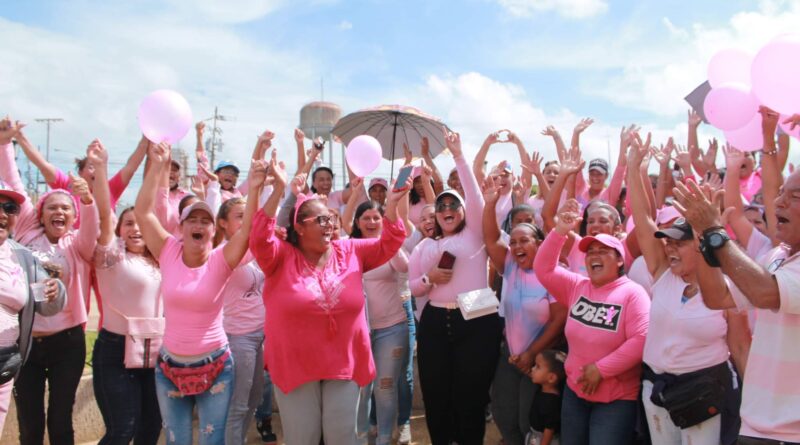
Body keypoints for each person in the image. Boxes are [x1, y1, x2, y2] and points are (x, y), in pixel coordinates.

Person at [248, 155, 408, 445]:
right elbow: (259, 238)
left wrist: (393, 205)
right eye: (320, 219)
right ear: (299, 227)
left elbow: (390, 242)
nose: (329, 224)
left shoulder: (350, 251)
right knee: (303, 438)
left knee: (342, 438)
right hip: (295, 363)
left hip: (343, 361)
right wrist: (277, 190)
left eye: (331, 218)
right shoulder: (280, 257)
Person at [674, 109, 800, 445]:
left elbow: (764, 294)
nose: (779, 202)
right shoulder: (778, 256)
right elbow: (718, 297)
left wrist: (716, 231)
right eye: (781, 194)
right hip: (756, 427)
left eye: (795, 197)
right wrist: (703, 234)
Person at [134, 141, 261, 445]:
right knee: (176, 440)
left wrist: (254, 189)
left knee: (211, 440)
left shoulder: (221, 259)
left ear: (213, 230)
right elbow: (142, 212)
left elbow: (248, 232)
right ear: (181, 226)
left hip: (216, 367)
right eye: (193, 219)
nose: (199, 224)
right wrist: (157, 166)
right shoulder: (167, 250)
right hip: (169, 369)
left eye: (205, 220)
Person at [627, 135, 750, 445]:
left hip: (703, 392)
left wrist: (753, 401)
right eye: (667, 242)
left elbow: (740, 348)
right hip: (656, 390)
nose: (669, 249)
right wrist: (632, 166)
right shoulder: (662, 275)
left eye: (679, 243)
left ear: (700, 247)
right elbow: (642, 219)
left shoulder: (727, 290)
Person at [0, 122, 100, 445]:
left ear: (73, 217)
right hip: (27, 343)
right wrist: (5, 143)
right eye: (52, 207)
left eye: (66, 209)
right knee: (30, 421)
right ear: (40, 215)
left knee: (60, 420)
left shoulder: (78, 245)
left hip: (67, 343)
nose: (59, 211)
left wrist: (86, 201)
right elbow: (13, 184)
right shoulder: (27, 233)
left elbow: (92, 228)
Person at [408, 131, 503, 445]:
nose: (447, 208)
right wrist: (429, 279)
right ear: (435, 215)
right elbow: (411, 289)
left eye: (454, 204)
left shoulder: (474, 234)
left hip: (477, 314)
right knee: (437, 399)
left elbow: (476, 199)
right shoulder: (424, 247)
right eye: (441, 205)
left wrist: (459, 155)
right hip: (436, 322)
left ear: (463, 211)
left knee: (471, 398)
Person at [534, 199, 650, 445]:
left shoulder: (633, 293)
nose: (594, 256)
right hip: (574, 395)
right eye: (591, 252)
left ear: (620, 260)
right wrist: (560, 231)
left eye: (603, 252)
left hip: (615, 401)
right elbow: (543, 268)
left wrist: (601, 369)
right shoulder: (577, 285)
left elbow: (641, 339)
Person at [88, 140, 163, 445]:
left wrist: (158, 164)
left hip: (155, 351)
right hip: (116, 351)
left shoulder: (159, 260)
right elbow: (105, 215)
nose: (135, 229)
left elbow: (155, 202)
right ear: (119, 230)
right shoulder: (111, 257)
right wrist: (102, 167)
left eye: (141, 224)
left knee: (149, 429)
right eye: (128, 224)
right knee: (123, 430)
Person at [483, 178, 567, 445]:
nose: (517, 246)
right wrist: (490, 203)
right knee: (503, 413)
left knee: (528, 420)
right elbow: (491, 237)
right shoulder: (509, 264)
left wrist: (532, 354)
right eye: (514, 241)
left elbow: (559, 318)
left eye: (525, 241)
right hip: (510, 356)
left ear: (540, 244)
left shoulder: (552, 272)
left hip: (540, 357)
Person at [0, 171, 66, 435]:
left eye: (10, 208)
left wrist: (55, 290)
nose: (3, 214)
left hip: (3, 368)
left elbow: (48, 305)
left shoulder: (24, 258)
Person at [349, 194, 410, 445]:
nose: (372, 221)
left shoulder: (390, 246)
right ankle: (362, 439)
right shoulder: (348, 246)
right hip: (356, 331)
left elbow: (405, 268)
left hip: (391, 328)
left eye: (377, 217)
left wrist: (391, 239)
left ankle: (384, 438)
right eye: (366, 217)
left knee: (385, 388)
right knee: (360, 389)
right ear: (357, 222)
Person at [214, 198, 268, 445]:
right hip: (238, 338)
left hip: (258, 337)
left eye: (248, 215)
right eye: (239, 216)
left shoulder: (251, 251)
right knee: (237, 405)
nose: (246, 221)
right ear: (223, 223)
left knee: (254, 400)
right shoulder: (226, 251)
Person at [527, 350, 567, 445]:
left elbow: (549, 430)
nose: (533, 369)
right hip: (535, 437)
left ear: (551, 378)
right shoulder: (543, 389)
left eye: (537, 367)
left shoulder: (551, 403)